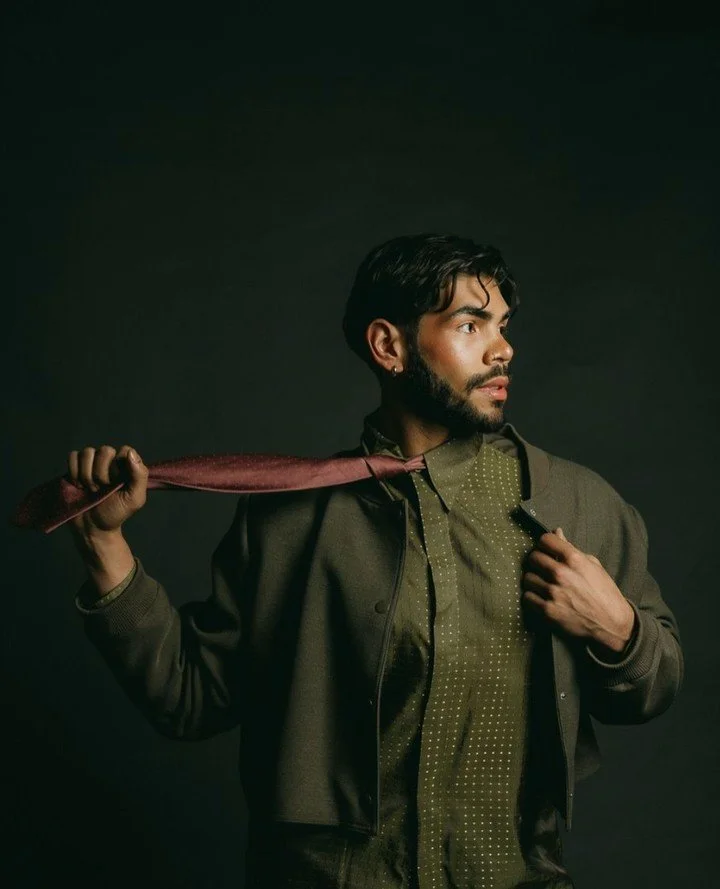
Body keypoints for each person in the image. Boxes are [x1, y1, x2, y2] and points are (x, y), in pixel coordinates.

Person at [66, 233, 683, 889]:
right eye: (471, 325)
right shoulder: (289, 520)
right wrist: (105, 547)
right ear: (389, 346)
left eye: (502, 325)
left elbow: (654, 685)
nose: (504, 349)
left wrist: (620, 630)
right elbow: (191, 698)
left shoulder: (578, 504)